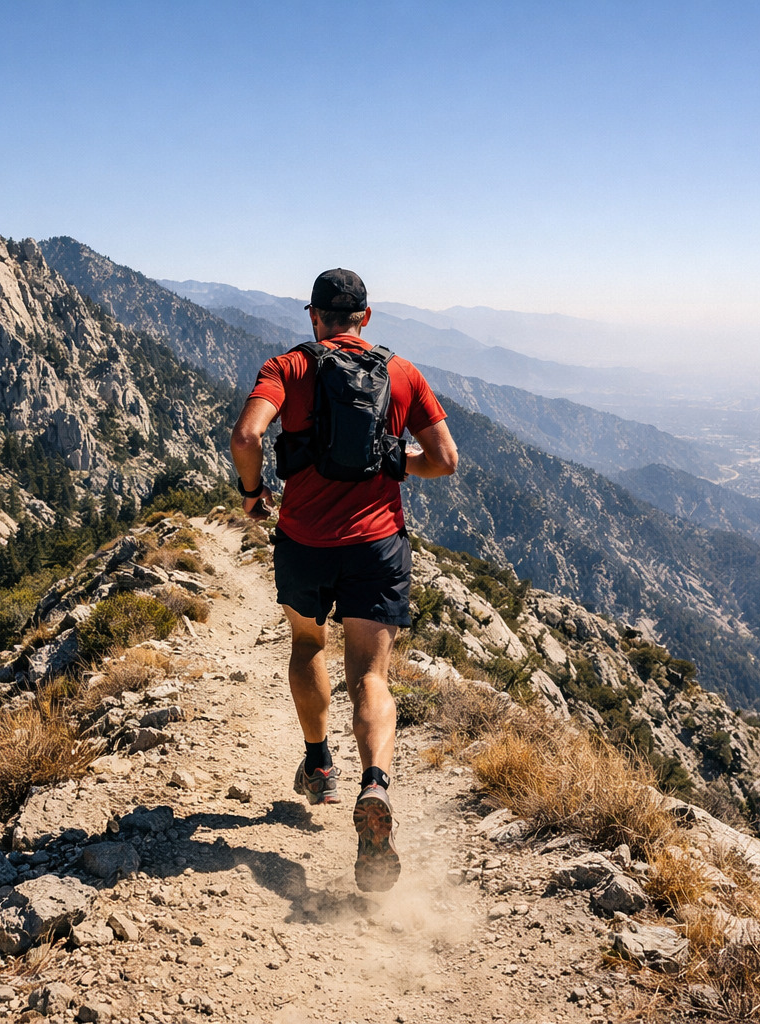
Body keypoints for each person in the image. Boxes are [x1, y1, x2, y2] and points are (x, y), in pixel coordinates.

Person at [229, 268, 459, 891]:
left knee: (307, 646)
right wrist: (392, 460)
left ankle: (318, 762)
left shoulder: (288, 367)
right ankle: (375, 785)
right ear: (367, 316)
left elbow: (247, 435)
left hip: (304, 541)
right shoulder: (402, 373)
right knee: (372, 676)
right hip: (377, 546)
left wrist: (253, 494)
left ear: (313, 315)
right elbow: (445, 460)